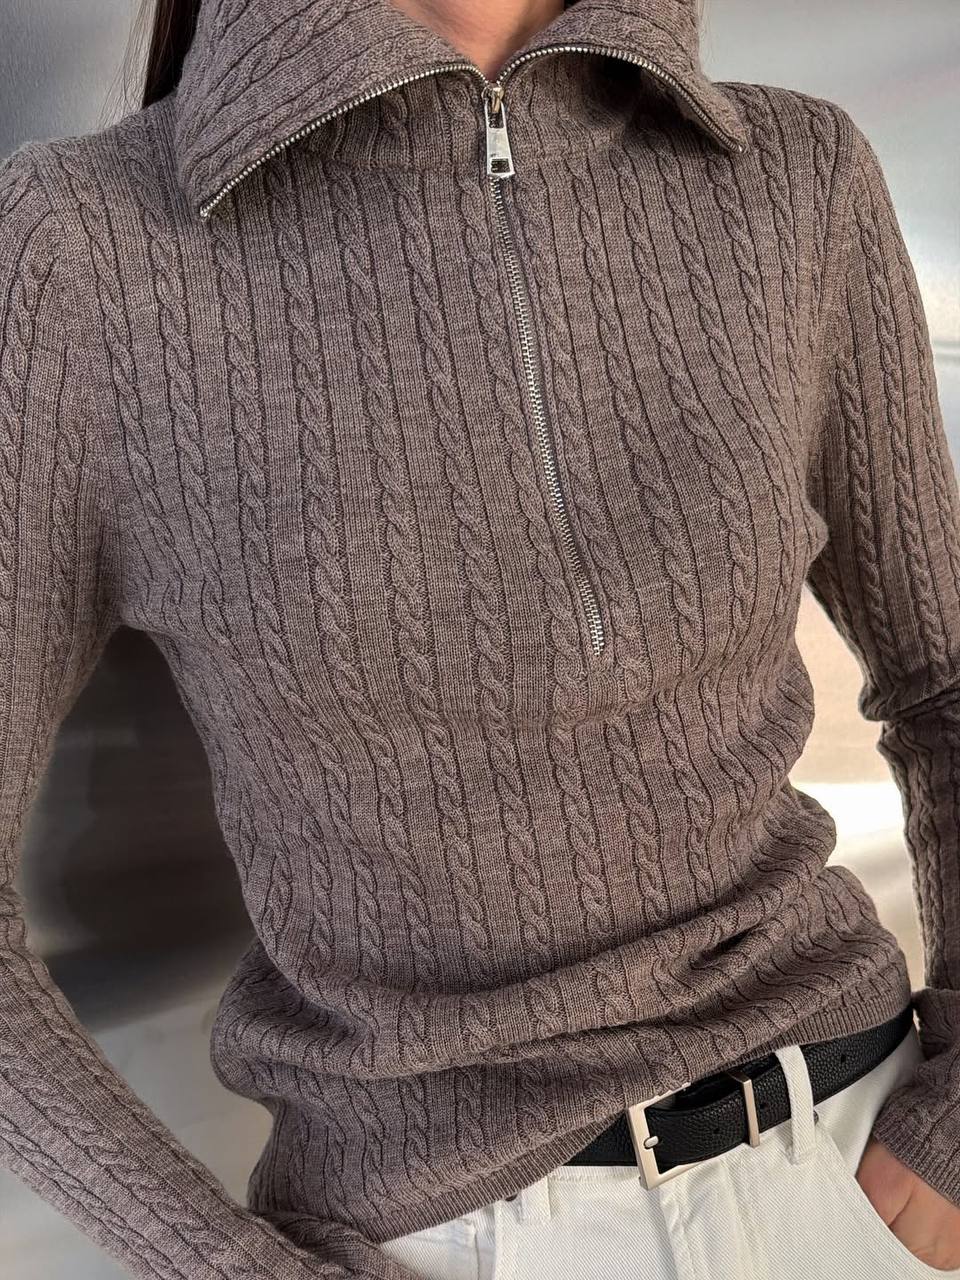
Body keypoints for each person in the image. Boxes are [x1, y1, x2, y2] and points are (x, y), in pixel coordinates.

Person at [1, 0, 958, 1276]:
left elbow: (946, 682)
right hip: (450, 1236)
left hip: (858, 1168)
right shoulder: (86, 246)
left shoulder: (799, 175)